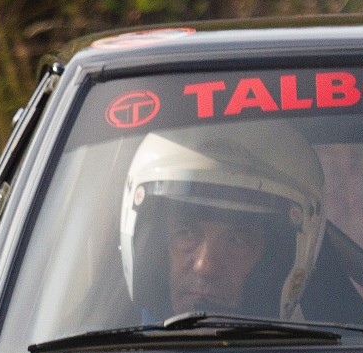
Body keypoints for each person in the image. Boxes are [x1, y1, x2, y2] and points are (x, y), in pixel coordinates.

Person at [119, 124, 327, 320]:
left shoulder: (322, 346)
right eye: (186, 233)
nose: (205, 267)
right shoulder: (109, 338)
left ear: (273, 261)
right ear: (154, 247)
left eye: (237, 241)